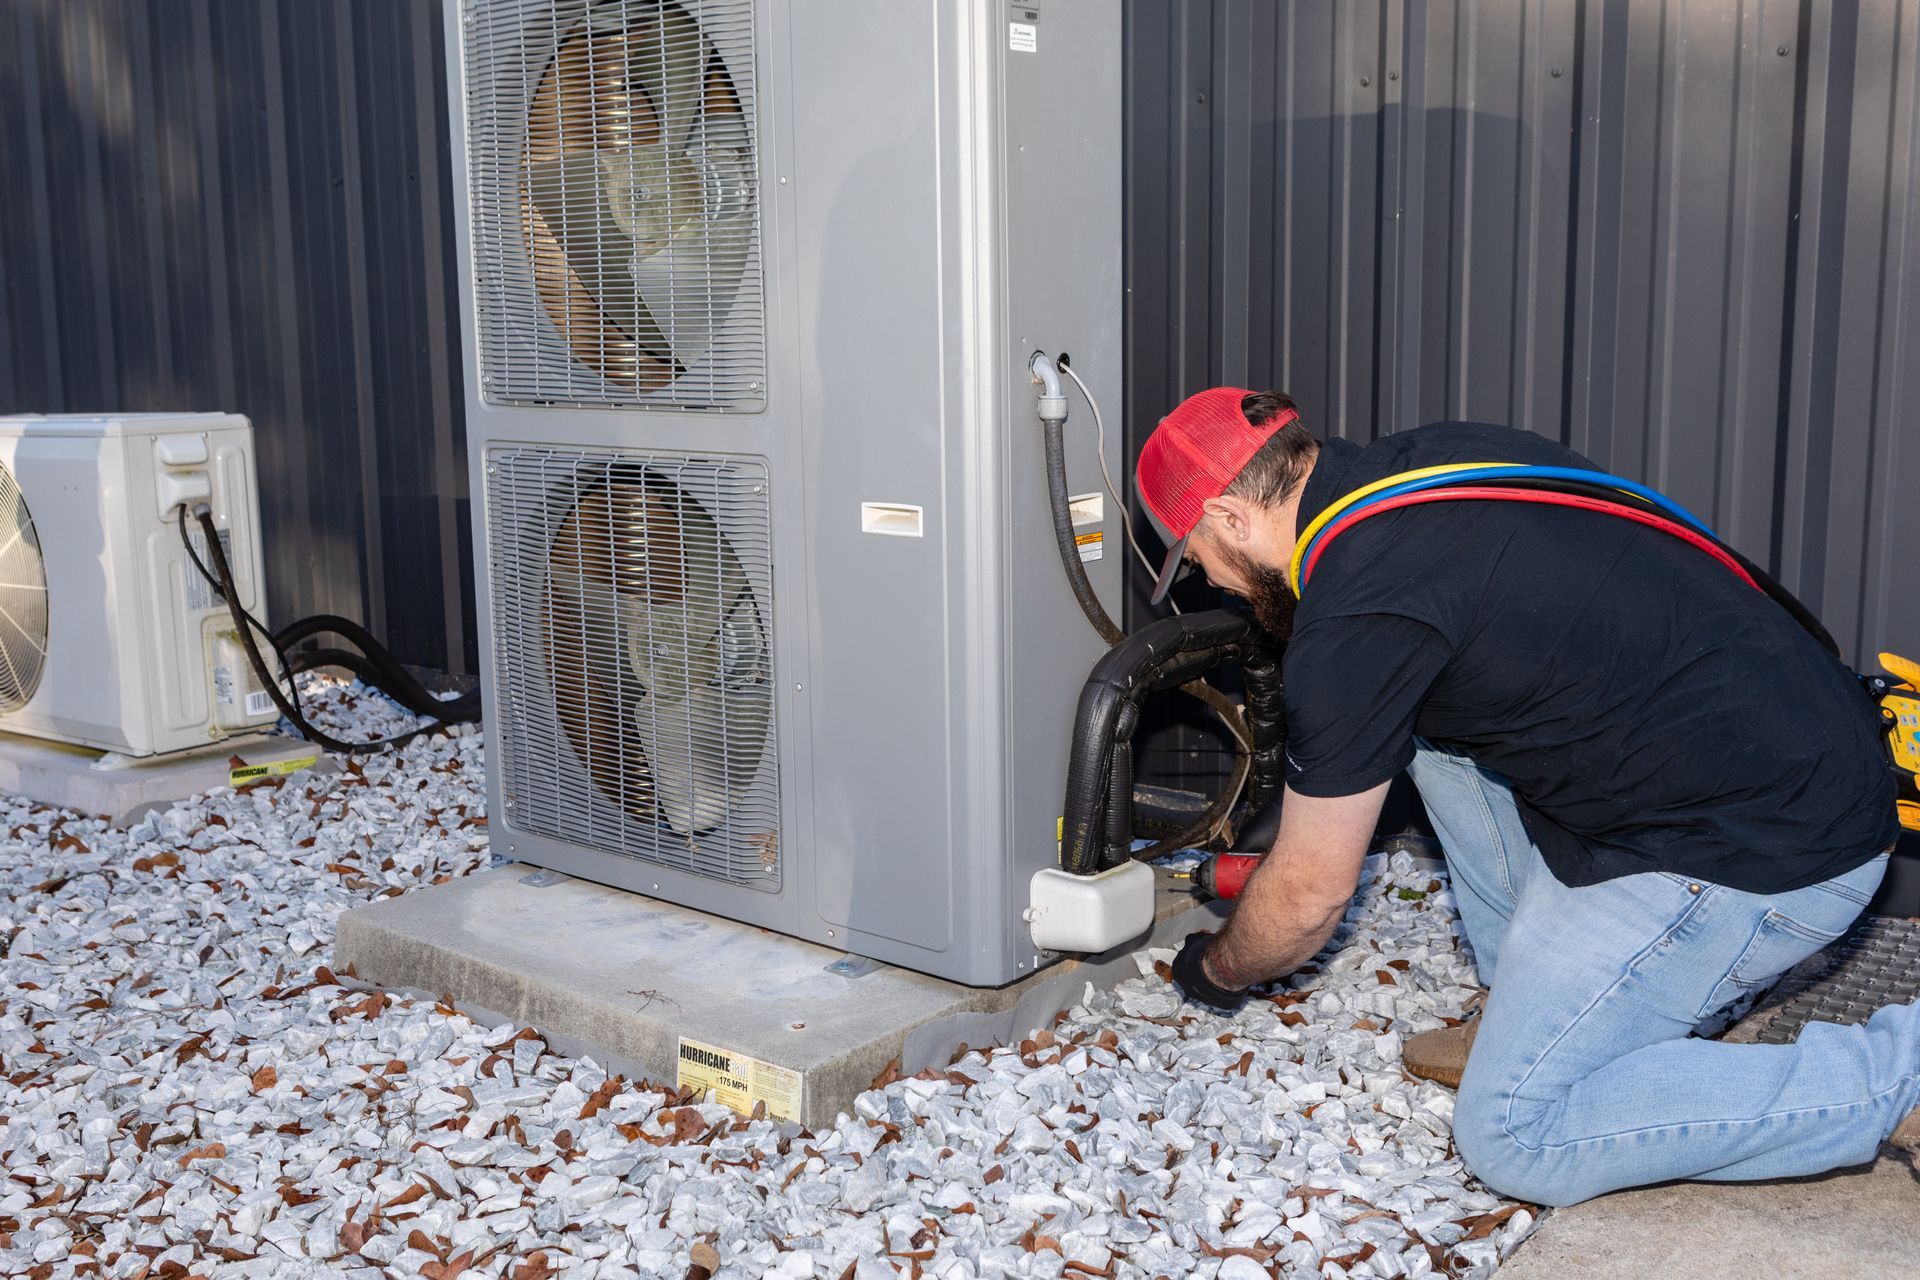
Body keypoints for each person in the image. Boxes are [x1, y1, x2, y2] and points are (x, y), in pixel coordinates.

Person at [1139, 385, 1916, 1206]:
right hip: (1787, 751)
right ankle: (1537, 1013)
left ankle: (1898, 1076)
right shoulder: (1438, 461)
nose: (1216, 585)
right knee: (1421, 727)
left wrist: (1220, 967)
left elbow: (1305, 898)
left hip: (1767, 848)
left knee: (1513, 1135)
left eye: (1197, 560)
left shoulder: (1355, 621)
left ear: (1229, 517)